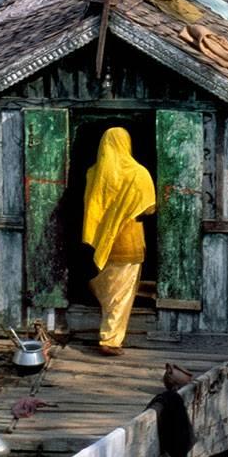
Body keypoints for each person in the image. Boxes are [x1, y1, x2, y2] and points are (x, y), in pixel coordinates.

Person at [82, 126, 156, 356]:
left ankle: (108, 328)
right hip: (128, 240)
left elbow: (91, 207)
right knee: (122, 294)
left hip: (102, 241)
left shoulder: (94, 172)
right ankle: (110, 340)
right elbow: (150, 208)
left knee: (108, 287)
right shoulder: (138, 173)